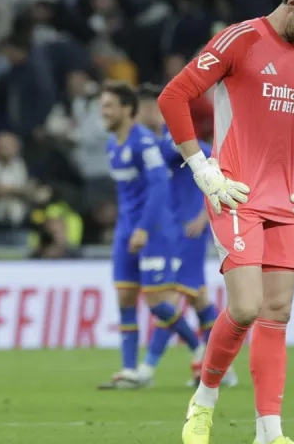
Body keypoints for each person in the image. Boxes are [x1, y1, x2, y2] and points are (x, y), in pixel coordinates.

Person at [158, 0, 294, 444]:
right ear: (291, 0)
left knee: (277, 312)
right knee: (244, 306)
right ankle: (204, 401)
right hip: (235, 190)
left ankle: (269, 432)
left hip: (287, 197)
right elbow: (173, 95)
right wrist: (202, 167)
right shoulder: (240, 39)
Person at [96, 81, 204, 390]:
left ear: (127, 109)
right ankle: (130, 370)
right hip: (126, 230)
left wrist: (144, 227)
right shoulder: (112, 144)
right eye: (102, 106)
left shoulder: (144, 143)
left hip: (154, 229)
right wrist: (127, 227)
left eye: (109, 107)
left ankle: (198, 347)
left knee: (156, 300)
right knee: (125, 297)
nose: (103, 113)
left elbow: (159, 187)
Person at [135, 84, 236, 389]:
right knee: (198, 298)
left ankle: (149, 367)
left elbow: (223, 173)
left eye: (151, 107)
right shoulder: (144, 147)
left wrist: (204, 216)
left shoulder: (179, 143)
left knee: (165, 298)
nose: (145, 113)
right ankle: (218, 368)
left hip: (188, 232)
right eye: (141, 108)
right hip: (164, 233)